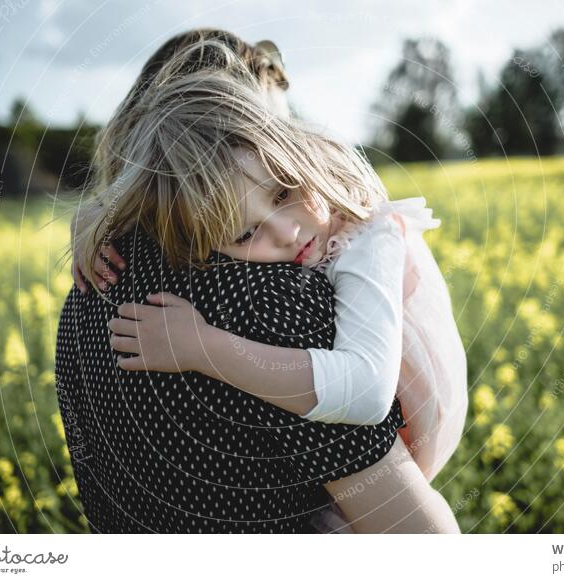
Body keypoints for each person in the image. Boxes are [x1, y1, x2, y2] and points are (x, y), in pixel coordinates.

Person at [59, 30, 459, 533]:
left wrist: (204, 346)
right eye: (244, 231)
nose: (288, 232)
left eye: (285, 186)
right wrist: (92, 221)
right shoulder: (265, 304)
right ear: (192, 227)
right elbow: (423, 538)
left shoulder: (89, 300)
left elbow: (367, 389)